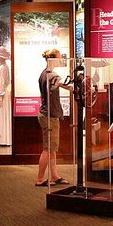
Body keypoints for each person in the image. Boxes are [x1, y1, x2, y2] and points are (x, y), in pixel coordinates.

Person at [36, 49, 72, 187]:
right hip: (49, 115)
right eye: (58, 57)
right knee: (48, 148)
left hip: (48, 114)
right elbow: (66, 86)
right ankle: (40, 179)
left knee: (52, 148)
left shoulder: (43, 74)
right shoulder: (52, 75)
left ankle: (54, 176)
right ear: (52, 59)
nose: (60, 59)